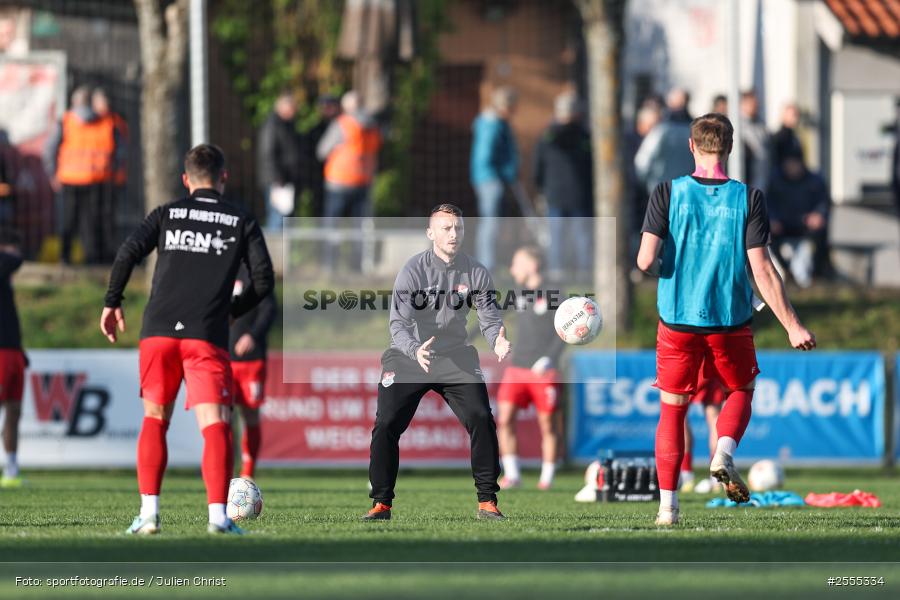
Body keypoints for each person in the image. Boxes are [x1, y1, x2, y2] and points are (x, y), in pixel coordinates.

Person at [636, 112, 816, 526]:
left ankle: (667, 509)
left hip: (677, 319)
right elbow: (764, 270)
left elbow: (645, 260)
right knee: (741, 388)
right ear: (730, 149)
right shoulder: (748, 198)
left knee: (672, 411)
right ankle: (724, 453)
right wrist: (792, 325)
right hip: (729, 319)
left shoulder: (667, 192)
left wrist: (675, 265)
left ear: (691, 147)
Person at [101, 144, 274, 535]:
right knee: (215, 424)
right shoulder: (240, 219)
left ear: (186, 180)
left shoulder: (167, 213)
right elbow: (264, 280)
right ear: (223, 177)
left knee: (154, 418)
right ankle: (218, 518)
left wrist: (113, 301)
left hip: (158, 330)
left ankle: (148, 515)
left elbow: (128, 252)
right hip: (206, 333)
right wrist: (234, 309)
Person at [363, 203, 511, 521]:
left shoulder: (476, 271)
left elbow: (489, 317)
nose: (453, 233)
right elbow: (397, 324)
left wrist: (497, 337)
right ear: (431, 233)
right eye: (446, 228)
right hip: (408, 356)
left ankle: (487, 502)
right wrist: (415, 349)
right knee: (386, 423)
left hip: (454, 355)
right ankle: (381, 504)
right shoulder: (413, 270)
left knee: (481, 417)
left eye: (458, 228)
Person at [496, 246, 566, 491]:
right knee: (504, 420)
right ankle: (512, 475)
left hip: (544, 370)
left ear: (532, 265)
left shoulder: (555, 291)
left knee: (548, 425)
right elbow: (494, 316)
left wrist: (550, 358)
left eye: (517, 263)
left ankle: (546, 479)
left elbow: (566, 332)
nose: (512, 269)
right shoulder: (517, 292)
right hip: (517, 368)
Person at [44, 85, 118, 264]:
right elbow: (119, 152)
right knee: (91, 221)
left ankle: (65, 257)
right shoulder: (105, 122)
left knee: (67, 220)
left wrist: (52, 173)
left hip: (69, 179)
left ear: (74, 102)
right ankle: (92, 258)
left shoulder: (66, 121)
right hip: (97, 179)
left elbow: (49, 150)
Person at [317, 91, 382, 271]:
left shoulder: (343, 124)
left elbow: (321, 150)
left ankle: (330, 265)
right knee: (359, 228)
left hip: (339, 181)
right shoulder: (373, 125)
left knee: (333, 225)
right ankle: (357, 266)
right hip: (364, 181)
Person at [533, 93, 593, 279]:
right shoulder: (584, 137)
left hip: (555, 194)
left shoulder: (547, 136)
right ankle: (584, 271)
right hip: (580, 194)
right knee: (581, 236)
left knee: (556, 236)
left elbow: (538, 165)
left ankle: (556, 271)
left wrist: (540, 187)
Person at [229, 265, 277, 480]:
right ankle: (224, 471)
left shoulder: (255, 273)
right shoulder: (218, 269)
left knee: (249, 414)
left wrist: (253, 335)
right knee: (221, 416)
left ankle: (247, 473)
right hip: (220, 359)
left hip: (251, 360)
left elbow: (269, 309)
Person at [470, 86, 519, 272]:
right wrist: (503, 173)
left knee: (496, 222)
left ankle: (491, 261)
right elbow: (485, 156)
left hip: (497, 178)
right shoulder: (491, 125)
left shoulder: (500, 124)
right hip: (490, 180)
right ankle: (486, 264)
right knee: (490, 222)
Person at [767, 149, 831, 287]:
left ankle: (817, 274)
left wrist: (818, 215)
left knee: (820, 234)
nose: (791, 168)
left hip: (805, 226)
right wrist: (772, 219)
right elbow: (768, 204)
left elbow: (823, 203)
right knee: (767, 235)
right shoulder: (776, 181)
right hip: (782, 225)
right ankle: (786, 271)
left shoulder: (815, 180)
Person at [0, 228, 26, 488]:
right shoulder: (5, 261)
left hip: (13, 350)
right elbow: (15, 259)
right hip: (1, 352)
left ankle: (11, 467)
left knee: (14, 411)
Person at [257, 92, 304, 231]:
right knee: (278, 217)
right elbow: (268, 153)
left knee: (286, 218)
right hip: (278, 181)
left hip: (287, 179)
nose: (295, 111)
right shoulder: (272, 125)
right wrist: (277, 178)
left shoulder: (287, 124)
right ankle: (275, 252)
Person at [634, 88, 695, 194]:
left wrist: (647, 183)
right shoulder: (695, 131)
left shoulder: (661, 131)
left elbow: (643, 161)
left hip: (663, 190)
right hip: (688, 190)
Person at [91, 88, 128, 262]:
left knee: (108, 216)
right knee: (93, 216)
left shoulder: (114, 122)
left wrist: (114, 169)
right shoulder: (92, 121)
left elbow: (120, 150)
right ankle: (94, 252)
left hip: (109, 177)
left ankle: (107, 252)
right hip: (92, 177)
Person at [678, 358, 724, 494]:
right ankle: (716, 476)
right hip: (712, 360)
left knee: (679, 416)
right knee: (714, 417)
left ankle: (686, 476)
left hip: (688, 360)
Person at [302, 95, 341, 217]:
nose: (327, 110)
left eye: (330, 107)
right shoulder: (314, 131)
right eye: (324, 107)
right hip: (319, 177)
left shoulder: (343, 128)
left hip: (339, 178)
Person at [739, 90, 771, 193]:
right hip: (746, 180)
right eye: (751, 103)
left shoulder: (760, 125)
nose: (755, 106)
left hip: (762, 179)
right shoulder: (736, 125)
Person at [771, 102, 803, 170]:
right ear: (784, 116)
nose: (796, 118)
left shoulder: (795, 137)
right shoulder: (779, 138)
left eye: (797, 115)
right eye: (793, 115)